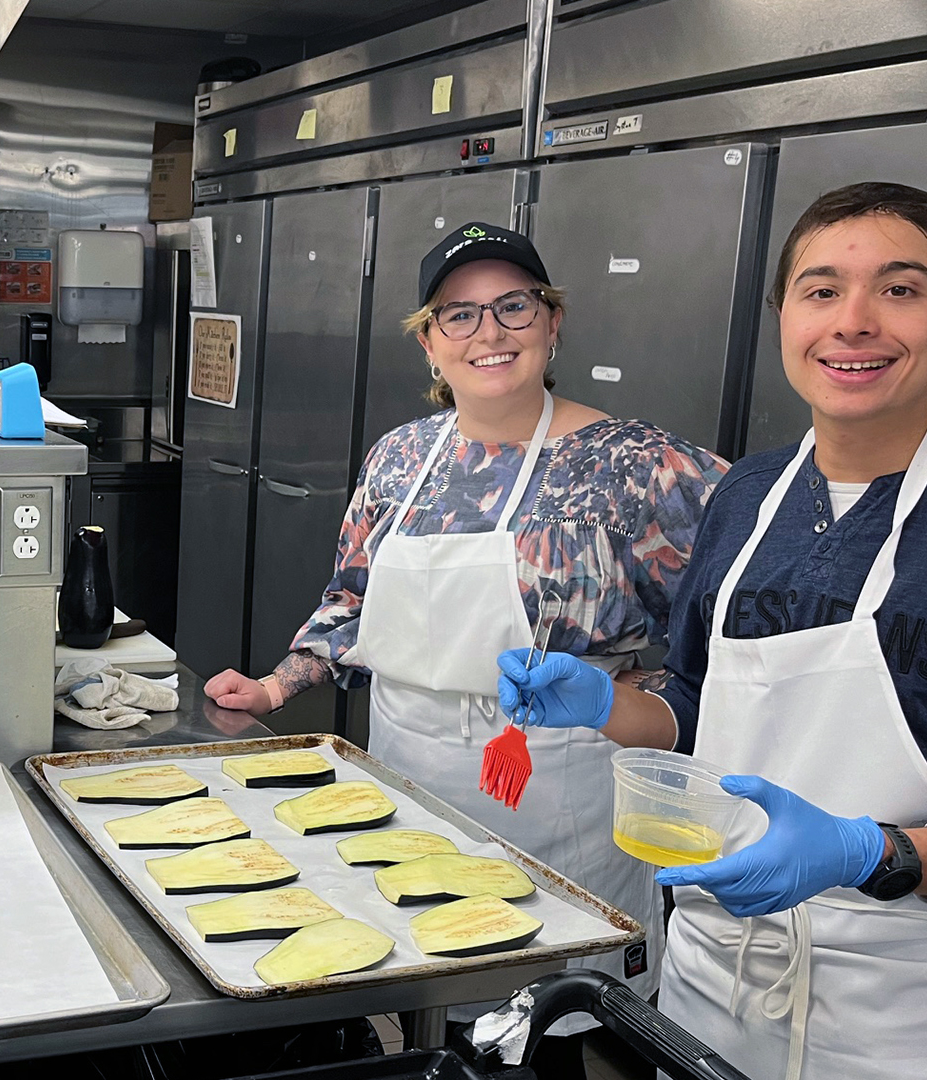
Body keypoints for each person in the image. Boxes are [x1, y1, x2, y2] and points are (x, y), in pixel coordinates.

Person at [499, 182, 927, 1080]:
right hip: (704, 989)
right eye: (822, 289)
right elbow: (694, 704)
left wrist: (872, 853)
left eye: (901, 289)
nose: (855, 321)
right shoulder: (746, 496)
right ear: (785, 315)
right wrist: (607, 704)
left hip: (893, 1027)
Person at [205, 222, 726, 1074]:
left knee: (549, 1033)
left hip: (556, 804)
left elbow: (733, 618)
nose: (489, 332)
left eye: (513, 306)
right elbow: (353, 597)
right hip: (407, 789)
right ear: (430, 342)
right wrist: (275, 688)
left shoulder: (640, 466)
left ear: (552, 322)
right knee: (422, 1016)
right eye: (459, 314)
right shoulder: (400, 457)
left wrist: (646, 690)